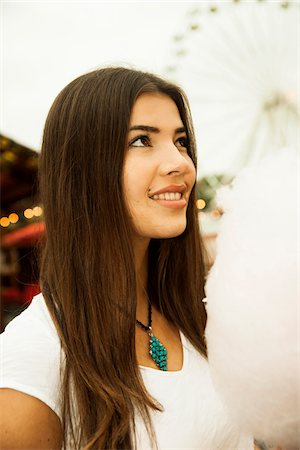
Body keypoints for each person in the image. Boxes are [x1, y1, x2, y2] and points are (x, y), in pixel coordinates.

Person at [0, 67, 253, 449]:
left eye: (181, 141)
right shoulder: (34, 357)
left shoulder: (200, 316)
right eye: (140, 141)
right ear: (83, 170)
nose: (181, 163)